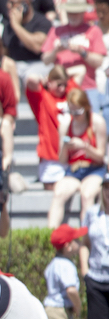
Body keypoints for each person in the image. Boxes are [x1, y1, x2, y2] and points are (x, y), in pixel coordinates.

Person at [48, 88, 107, 227]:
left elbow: (101, 157)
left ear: (86, 108)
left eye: (78, 112)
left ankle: (85, 239)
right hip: (73, 170)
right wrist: (65, 148)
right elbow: (62, 160)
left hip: (94, 169)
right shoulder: (65, 126)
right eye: (71, 111)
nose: (74, 116)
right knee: (58, 193)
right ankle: (51, 238)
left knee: (86, 195)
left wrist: (85, 147)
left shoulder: (97, 122)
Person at [42, 0, 107, 94]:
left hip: (86, 87)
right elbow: (45, 60)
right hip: (61, 88)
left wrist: (82, 52)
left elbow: (99, 61)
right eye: (70, 12)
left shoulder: (93, 30)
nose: (73, 15)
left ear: (83, 12)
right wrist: (56, 51)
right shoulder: (56, 31)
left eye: (76, 12)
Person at [81, 178, 109, 319]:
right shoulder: (92, 214)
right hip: (97, 278)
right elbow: (84, 244)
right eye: (106, 187)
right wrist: (85, 272)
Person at [27, 66, 73, 186]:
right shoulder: (42, 97)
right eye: (59, 85)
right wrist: (46, 80)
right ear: (50, 82)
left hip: (70, 157)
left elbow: (81, 71)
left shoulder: (69, 95)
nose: (62, 89)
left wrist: (63, 76)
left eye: (64, 85)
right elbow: (31, 80)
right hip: (51, 157)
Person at [2, 0, 54, 80]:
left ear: (25, 3)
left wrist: (17, 26)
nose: (8, 5)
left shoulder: (42, 22)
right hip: (15, 65)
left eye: (12, 2)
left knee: (31, 77)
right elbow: (5, 51)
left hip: (37, 64)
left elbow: (37, 47)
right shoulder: (8, 24)